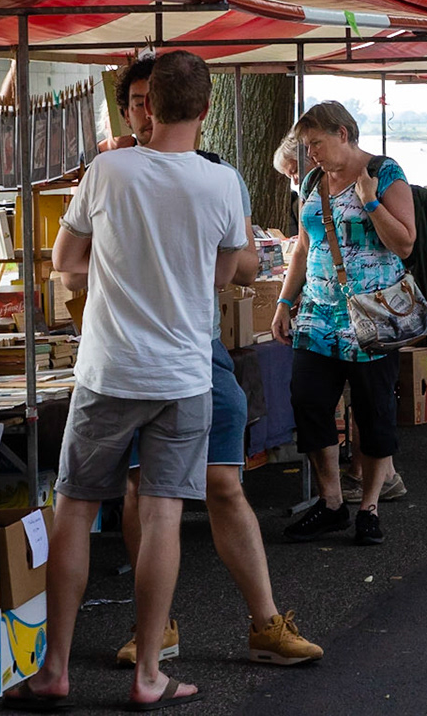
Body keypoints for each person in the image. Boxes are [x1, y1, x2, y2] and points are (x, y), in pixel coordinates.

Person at [15, 51, 249, 711]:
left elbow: (66, 260)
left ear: (148, 107)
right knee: (163, 516)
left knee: (75, 507)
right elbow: (222, 276)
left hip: (109, 368)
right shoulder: (221, 184)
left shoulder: (108, 170)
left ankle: (54, 668)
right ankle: (148, 674)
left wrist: (118, 260)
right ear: (205, 110)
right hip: (183, 373)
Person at [106, 58, 322, 671]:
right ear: (129, 111)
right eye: (138, 102)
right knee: (139, 488)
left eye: (153, 99)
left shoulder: (217, 176)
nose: (148, 112)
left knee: (223, 483)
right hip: (132, 355)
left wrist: (204, 252)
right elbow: (74, 261)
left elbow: (247, 263)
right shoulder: (110, 173)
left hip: (199, 352)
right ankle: (155, 628)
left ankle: (266, 622)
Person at [272, 102, 416, 545]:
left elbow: (405, 243)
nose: (310, 153)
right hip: (318, 315)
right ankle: (331, 502)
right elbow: (303, 247)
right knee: (309, 403)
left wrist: (370, 200)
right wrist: (285, 301)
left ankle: (369, 507)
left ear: (343, 133)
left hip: (372, 316)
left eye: (316, 143)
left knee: (374, 411)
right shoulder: (312, 181)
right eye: (306, 146)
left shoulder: (384, 173)